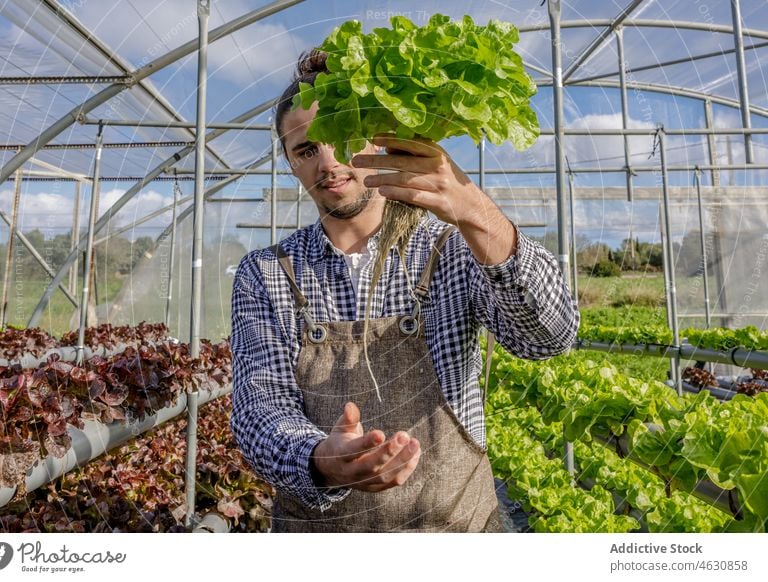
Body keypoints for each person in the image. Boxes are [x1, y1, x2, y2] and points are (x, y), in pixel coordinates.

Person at [230, 50, 579, 533]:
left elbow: (548, 337)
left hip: (455, 531)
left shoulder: (450, 249)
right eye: (307, 150)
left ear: (379, 139)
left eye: (341, 138)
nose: (328, 164)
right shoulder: (267, 272)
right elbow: (259, 408)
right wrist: (319, 458)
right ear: (290, 163)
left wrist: (477, 212)